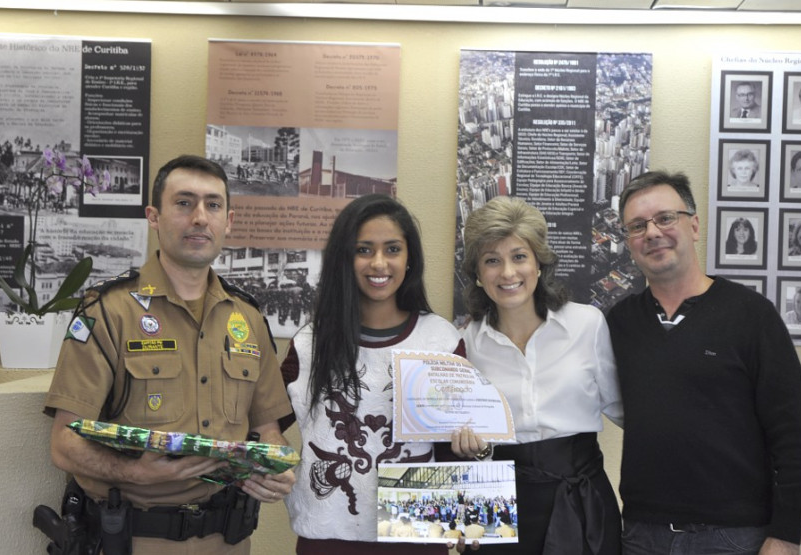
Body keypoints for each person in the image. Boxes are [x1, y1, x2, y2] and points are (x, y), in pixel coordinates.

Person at [44, 155, 296, 554]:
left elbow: (267, 428)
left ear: (228, 221)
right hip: (138, 538)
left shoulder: (246, 317)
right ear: (154, 216)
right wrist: (134, 472)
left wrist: (275, 468)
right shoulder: (108, 311)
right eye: (184, 203)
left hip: (230, 540)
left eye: (213, 205)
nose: (200, 217)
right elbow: (64, 444)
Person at [606, 171, 801, 555]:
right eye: (637, 226)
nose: (652, 233)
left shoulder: (751, 315)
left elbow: (796, 434)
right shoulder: (618, 323)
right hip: (642, 534)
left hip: (734, 537)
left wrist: (786, 534)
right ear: (628, 242)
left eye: (665, 218)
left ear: (694, 226)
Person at [280, 194, 468, 555]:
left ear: (410, 257)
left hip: (414, 533)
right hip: (329, 535)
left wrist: (462, 517)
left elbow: (453, 446)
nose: (379, 263)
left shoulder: (441, 339)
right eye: (363, 249)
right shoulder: (310, 343)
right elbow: (266, 422)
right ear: (343, 258)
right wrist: (274, 460)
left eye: (392, 249)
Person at [452, 195, 623, 555]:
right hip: (498, 501)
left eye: (519, 257)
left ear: (539, 264)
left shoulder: (587, 325)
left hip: (581, 496)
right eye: (492, 261)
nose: (508, 273)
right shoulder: (466, 343)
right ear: (479, 275)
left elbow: (625, 410)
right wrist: (469, 449)